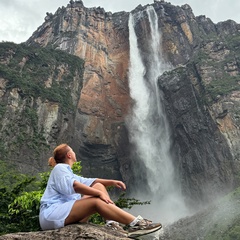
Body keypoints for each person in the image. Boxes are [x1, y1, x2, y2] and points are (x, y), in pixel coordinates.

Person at [39, 143, 162, 238]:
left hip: (66, 215)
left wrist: (112, 182)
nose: (74, 152)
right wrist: (99, 194)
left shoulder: (68, 172)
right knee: (96, 201)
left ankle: (111, 224)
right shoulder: (59, 168)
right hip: (52, 216)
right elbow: (75, 186)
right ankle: (136, 224)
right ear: (69, 155)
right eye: (72, 150)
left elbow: (90, 181)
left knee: (98, 185)